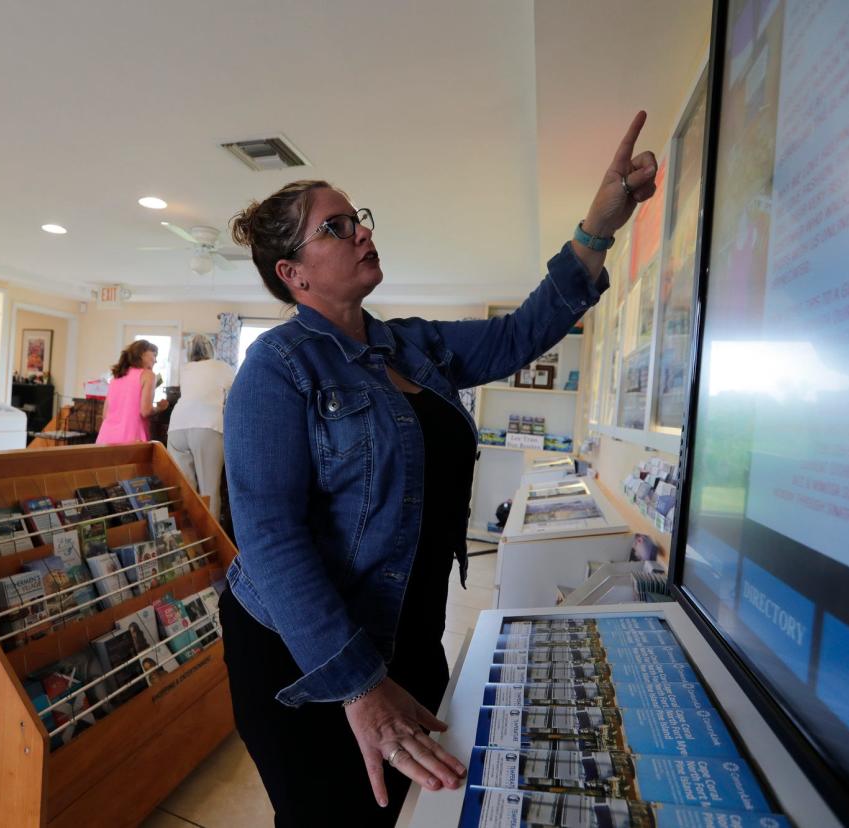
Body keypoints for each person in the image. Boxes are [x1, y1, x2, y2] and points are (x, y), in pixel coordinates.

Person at [220, 112, 658, 826]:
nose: (362, 230)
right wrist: (359, 686)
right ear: (292, 274)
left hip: (408, 632)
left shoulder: (412, 346)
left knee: (407, 810)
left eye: (355, 218)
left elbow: (521, 333)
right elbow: (269, 539)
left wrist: (598, 228)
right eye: (335, 227)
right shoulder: (278, 366)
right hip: (305, 656)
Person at [167, 334, 234, 519]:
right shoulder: (221, 366)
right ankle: (210, 543)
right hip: (206, 425)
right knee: (209, 490)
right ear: (211, 349)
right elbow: (238, 391)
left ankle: (189, 538)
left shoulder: (185, 368)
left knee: (184, 489)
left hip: (176, 427)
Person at [95, 339, 167, 445]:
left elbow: (105, 414)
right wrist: (159, 408)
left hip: (105, 438)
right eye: (154, 355)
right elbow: (145, 411)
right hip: (131, 440)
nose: (155, 360)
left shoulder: (116, 377)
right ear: (142, 354)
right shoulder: (148, 375)